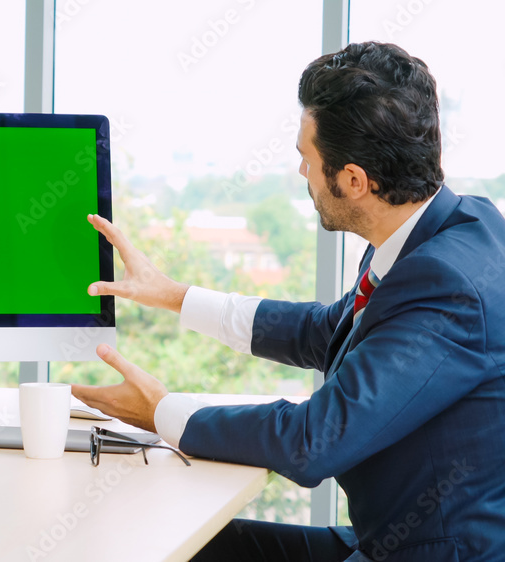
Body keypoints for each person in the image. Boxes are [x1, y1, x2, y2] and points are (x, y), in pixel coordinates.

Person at [72, 42, 505, 561]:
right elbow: (328, 332)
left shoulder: (446, 284)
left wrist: (162, 411)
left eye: (307, 159)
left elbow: (313, 440)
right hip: (392, 541)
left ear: (353, 181)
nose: (302, 173)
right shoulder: (442, 229)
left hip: (431, 553)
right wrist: (174, 296)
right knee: (195, 546)